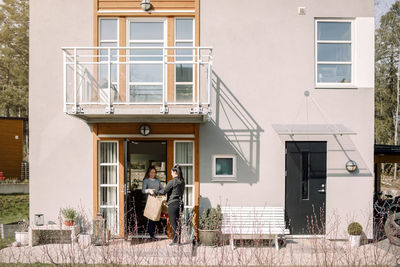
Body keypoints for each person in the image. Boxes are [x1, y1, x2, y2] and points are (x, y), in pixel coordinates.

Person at [154, 164, 185, 246]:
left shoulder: (173, 181)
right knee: (178, 222)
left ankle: (175, 242)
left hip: (173, 204)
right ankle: (178, 241)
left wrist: (154, 192)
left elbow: (163, 191)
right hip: (181, 203)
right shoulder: (182, 181)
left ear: (175, 172)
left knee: (173, 223)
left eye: (172, 172)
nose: (171, 174)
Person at [142, 166, 163, 240]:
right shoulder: (146, 180)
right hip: (149, 201)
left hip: (157, 200)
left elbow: (162, 189)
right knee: (151, 218)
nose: (153, 174)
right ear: (148, 172)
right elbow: (143, 190)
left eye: (154, 172)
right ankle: (151, 235)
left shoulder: (157, 180)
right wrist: (149, 190)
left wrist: (159, 193)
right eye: (151, 172)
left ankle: (157, 232)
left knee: (157, 217)